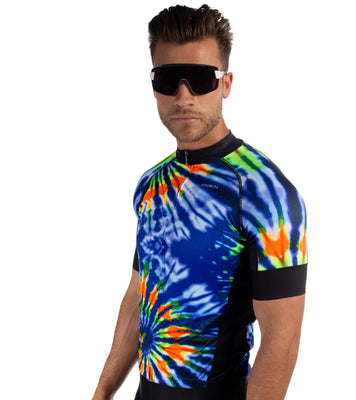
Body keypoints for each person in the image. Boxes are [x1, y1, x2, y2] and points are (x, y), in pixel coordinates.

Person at [92, 4, 307, 400]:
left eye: (201, 79)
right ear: (154, 85)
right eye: (169, 79)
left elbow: (283, 340)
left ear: (226, 84)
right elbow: (139, 294)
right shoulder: (151, 185)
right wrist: (101, 392)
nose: (184, 96)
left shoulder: (264, 191)